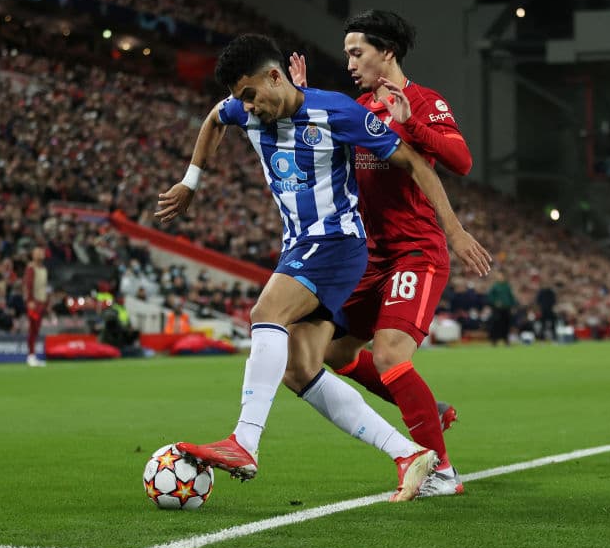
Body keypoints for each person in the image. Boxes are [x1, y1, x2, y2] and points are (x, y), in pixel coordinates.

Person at [156, 34, 491, 501]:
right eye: (240, 98)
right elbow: (214, 118)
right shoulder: (243, 108)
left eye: (251, 95)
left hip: (336, 242)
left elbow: (413, 160)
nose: (246, 108)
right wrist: (191, 181)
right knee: (302, 367)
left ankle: (244, 442)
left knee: (264, 313)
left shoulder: (337, 112)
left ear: (275, 77)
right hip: (299, 245)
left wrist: (453, 230)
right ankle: (407, 454)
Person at [288, 10, 476, 496]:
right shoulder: (360, 106)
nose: (350, 62)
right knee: (333, 351)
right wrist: (299, 103)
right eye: (348, 53)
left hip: (415, 251)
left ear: (386, 52)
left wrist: (412, 125)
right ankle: (426, 412)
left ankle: (442, 472)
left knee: (391, 353)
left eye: (357, 52)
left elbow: (460, 160)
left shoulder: (425, 101)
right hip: (368, 256)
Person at [22, 247, 49, 367]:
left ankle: (33, 355)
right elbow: (28, 285)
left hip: (41, 301)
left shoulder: (43, 269)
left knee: (36, 329)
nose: (41, 254)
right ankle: (31, 355)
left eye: (42, 252)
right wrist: (29, 300)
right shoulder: (31, 268)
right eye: (38, 252)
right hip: (34, 302)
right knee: (32, 329)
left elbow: (44, 286)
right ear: (33, 255)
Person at [487, 273, 517, 346]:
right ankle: (494, 340)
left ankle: (506, 339)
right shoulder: (495, 286)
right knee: (496, 325)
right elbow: (490, 297)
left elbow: (511, 297)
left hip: (506, 308)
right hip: (497, 309)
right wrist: (495, 302)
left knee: (506, 325)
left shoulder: (507, 286)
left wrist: (513, 305)